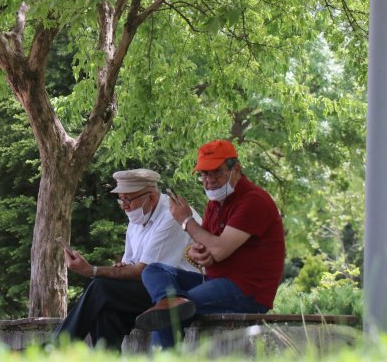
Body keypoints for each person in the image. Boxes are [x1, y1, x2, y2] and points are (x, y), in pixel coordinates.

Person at [134, 140, 286, 348]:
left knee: (169, 314)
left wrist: (186, 221)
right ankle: (171, 301)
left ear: (236, 170)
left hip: (247, 291)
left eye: (216, 172)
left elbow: (220, 249)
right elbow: (208, 246)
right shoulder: (215, 204)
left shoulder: (254, 201)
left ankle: (170, 309)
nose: (209, 180)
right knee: (153, 271)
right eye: (204, 174)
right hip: (214, 281)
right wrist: (196, 252)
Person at [51, 168, 202, 351]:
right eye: (121, 199)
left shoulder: (170, 216)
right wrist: (121, 269)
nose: (123, 205)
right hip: (153, 289)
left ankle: (55, 347)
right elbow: (131, 265)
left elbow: (142, 272)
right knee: (106, 312)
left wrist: (92, 271)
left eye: (128, 199)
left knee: (101, 287)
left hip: (179, 293)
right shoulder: (137, 217)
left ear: (151, 197)